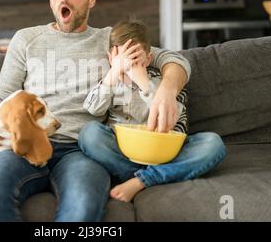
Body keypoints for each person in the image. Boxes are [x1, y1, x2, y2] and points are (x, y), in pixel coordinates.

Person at [0, 0, 192, 222]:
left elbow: (173, 59)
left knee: (83, 206)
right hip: (24, 144)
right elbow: (2, 94)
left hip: (80, 150)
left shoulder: (111, 40)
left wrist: (167, 90)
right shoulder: (26, 39)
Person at [78, 19, 226, 202]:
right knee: (89, 133)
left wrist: (144, 83)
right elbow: (93, 109)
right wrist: (113, 73)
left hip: (162, 152)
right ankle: (151, 176)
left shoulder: (160, 84)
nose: (128, 66)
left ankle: (141, 180)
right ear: (110, 58)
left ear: (148, 59)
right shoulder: (110, 83)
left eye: (135, 60)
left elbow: (174, 117)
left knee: (213, 144)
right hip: (123, 152)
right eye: (122, 60)